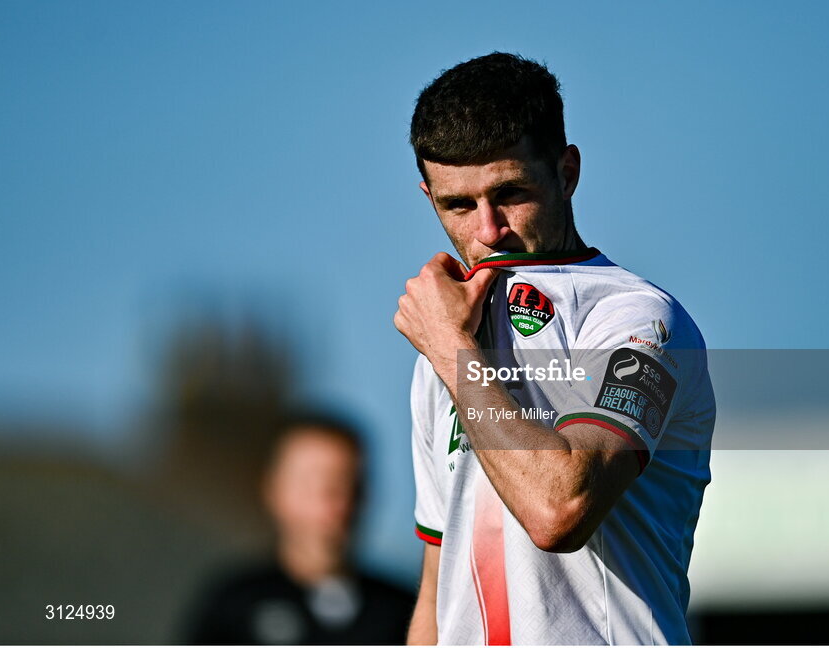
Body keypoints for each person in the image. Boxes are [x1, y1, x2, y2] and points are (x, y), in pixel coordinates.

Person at [395, 52, 716, 645]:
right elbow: (441, 587)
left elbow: (559, 510)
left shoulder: (637, 319)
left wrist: (447, 349)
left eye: (510, 192)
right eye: (458, 205)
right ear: (428, 196)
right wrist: (447, 347)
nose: (487, 229)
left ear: (566, 172)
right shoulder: (444, 345)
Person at [185, 412, 414, 645]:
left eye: (347, 484)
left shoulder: (403, 614)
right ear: (273, 490)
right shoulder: (234, 606)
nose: (332, 503)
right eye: (312, 484)